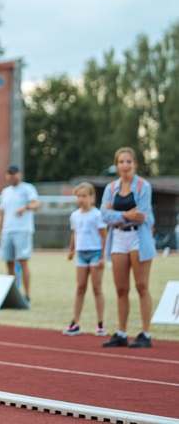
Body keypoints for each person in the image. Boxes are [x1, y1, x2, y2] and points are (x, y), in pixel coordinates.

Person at [100, 148, 155, 348]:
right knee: (121, 289)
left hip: (138, 238)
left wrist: (116, 214)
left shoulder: (143, 186)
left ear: (135, 164)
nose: (125, 165)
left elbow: (141, 215)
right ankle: (121, 333)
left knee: (142, 286)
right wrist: (124, 215)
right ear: (116, 165)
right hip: (118, 239)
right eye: (121, 162)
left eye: (128, 161)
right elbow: (104, 215)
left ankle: (145, 334)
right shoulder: (111, 188)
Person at [63, 182, 107, 337]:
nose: (81, 199)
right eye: (78, 196)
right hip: (81, 254)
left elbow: (104, 236)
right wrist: (71, 250)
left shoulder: (97, 215)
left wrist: (103, 257)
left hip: (95, 252)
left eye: (84, 196)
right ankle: (75, 323)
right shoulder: (74, 215)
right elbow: (74, 234)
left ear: (92, 198)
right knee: (80, 287)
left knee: (96, 288)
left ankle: (100, 323)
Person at [0, 165, 40, 305]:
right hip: (7, 231)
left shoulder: (27, 189)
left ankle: (26, 295)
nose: (12, 176)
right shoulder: (5, 192)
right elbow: (2, 214)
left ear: (19, 174)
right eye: (9, 174)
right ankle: (13, 295)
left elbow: (36, 204)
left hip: (22, 230)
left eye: (14, 173)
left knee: (23, 262)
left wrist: (26, 207)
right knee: (9, 263)